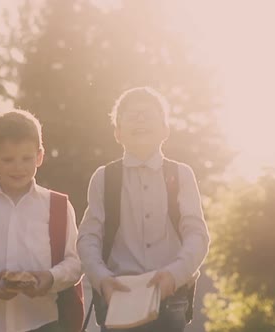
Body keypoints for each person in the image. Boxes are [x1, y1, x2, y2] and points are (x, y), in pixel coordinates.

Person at [77, 87, 210, 332]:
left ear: (165, 130)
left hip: (170, 296)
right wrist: (101, 278)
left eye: (148, 114)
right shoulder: (103, 178)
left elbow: (197, 234)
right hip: (117, 295)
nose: (139, 118)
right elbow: (88, 237)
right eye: (131, 115)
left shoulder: (181, 174)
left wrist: (175, 273)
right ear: (117, 133)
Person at [0, 109, 82, 332]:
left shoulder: (58, 206)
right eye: (8, 159)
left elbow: (76, 263)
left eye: (26, 158)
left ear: (39, 156)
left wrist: (50, 278)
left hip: (44, 323)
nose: (18, 167)